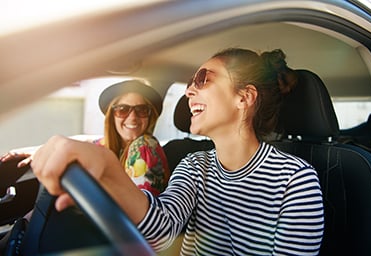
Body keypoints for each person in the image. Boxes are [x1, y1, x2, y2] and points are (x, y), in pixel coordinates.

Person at [31, 48, 324, 255]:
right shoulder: (194, 166)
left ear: (244, 97)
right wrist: (107, 167)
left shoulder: (295, 180)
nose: (188, 92)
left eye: (202, 80)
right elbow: (161, 230)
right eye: (188, 84)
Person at [94, 80, 170, 195]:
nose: (133, 117)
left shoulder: (144, 146)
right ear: (112, 116)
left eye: (141, 110)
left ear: (150, 116)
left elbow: (139, 209)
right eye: (122, 110)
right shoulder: (98, 147)